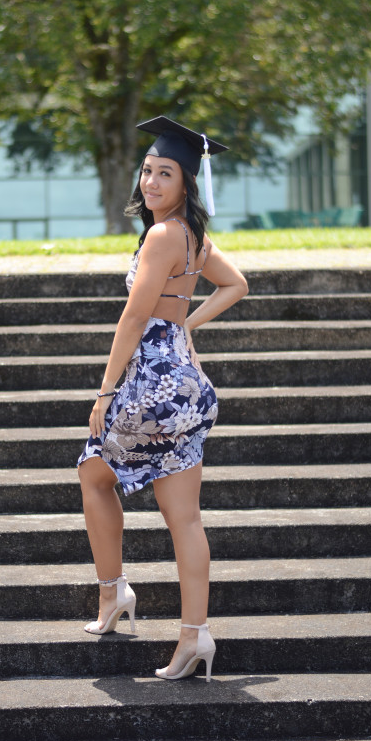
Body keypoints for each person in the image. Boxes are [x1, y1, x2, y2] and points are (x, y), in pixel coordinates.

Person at [77, 116, 248, 682]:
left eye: (164, 173)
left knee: (94, 474)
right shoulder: (192, 235)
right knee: (185, 518)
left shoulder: (160, 235)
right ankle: (195, 635)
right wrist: (187, 329)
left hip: (149, 385)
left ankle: (113, 593)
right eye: (147, 170)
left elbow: (133, 317)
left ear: (186, 183)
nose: (151, 182)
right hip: (186, 387)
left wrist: (105, 391)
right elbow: (235, 284)